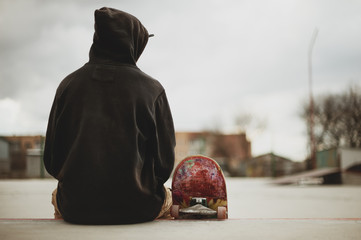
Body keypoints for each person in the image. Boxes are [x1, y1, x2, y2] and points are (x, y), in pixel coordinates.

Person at [44, 7, 175, 225]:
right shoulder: (153, 90)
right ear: (134, 43)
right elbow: (164, 165)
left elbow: (51, 161)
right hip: (139, 207)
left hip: (76, 208)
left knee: (56, 197)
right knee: (170, 197)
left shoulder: (68, 85)